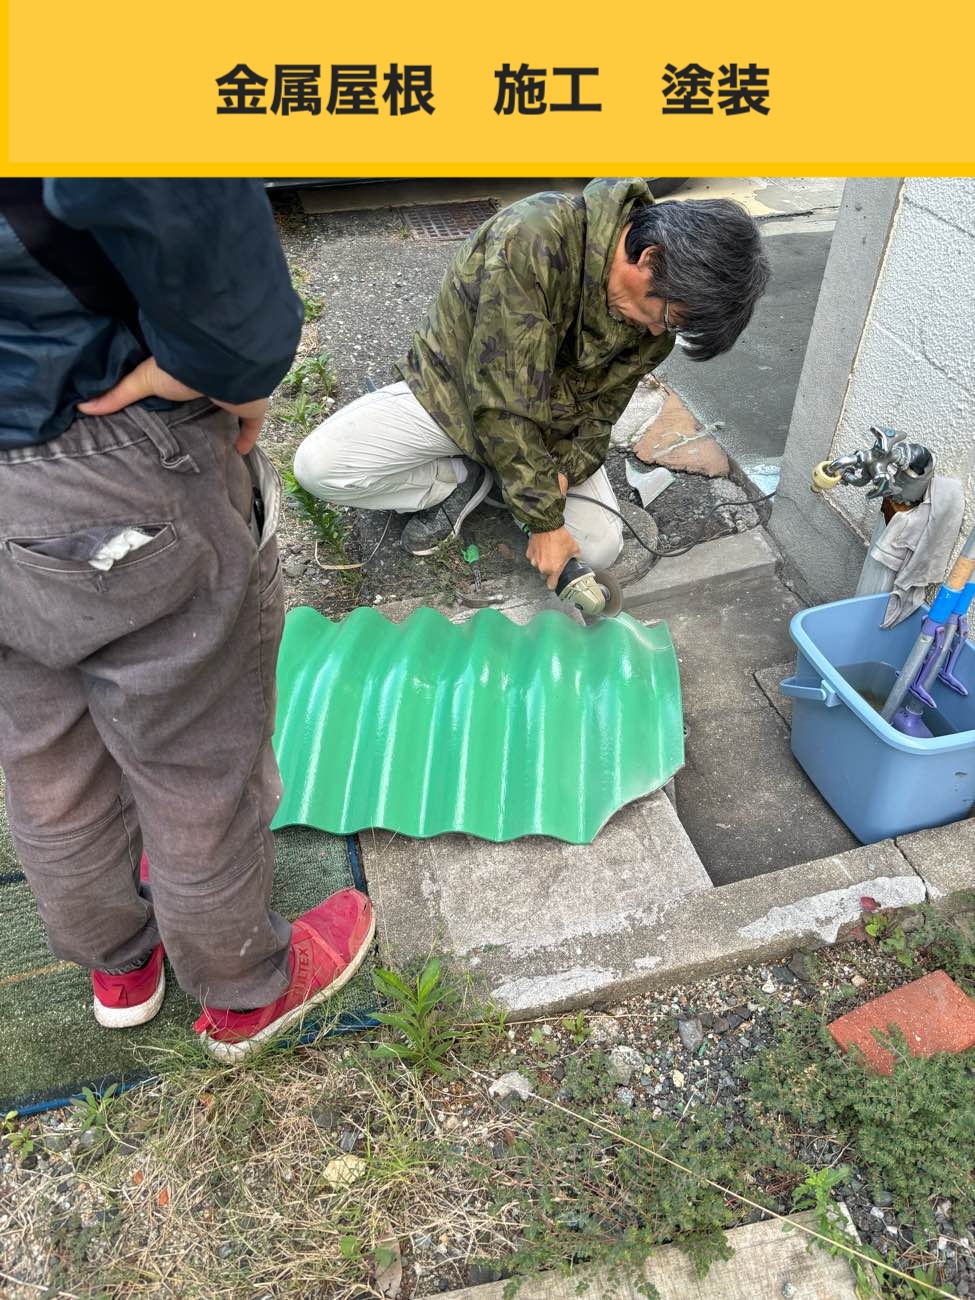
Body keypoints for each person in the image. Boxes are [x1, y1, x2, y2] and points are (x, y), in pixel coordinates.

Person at [0, 179, 374, 1063]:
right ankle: (244, 991)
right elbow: (175, 196)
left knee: (41, 749)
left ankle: (119, 969)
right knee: (194, 758)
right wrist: (223, 365)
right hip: (94, 443)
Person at [293, 177, 770, 587]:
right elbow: (503, 400)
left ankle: (501, 481)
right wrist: (543, 519)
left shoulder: (654, 322)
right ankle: (460, 478)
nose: (656, 332)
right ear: (648, 256)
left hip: (545, 429)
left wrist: (561, 472)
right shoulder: (535, 236)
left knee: (598, 549)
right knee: (322, 468)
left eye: (672, 327)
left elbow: (600, 417)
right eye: (668, 315)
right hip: (456, 395)